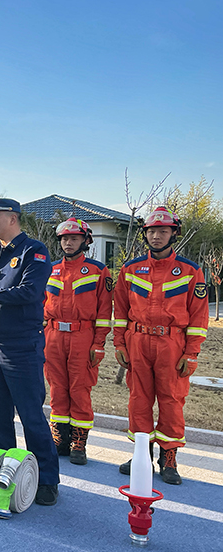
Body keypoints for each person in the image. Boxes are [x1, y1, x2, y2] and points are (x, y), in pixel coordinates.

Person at [0, 198, 59, 506]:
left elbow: (30, 292)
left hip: (21, 344)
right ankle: (3, 474)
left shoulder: (34, 252)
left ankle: (46, 480)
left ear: (13, 218)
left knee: (31, 415)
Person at [114, 207, 208, 485]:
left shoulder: (191, 271)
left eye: (163, 231)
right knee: (138, 401)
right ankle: (141, 455)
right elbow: (120, 309)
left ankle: (169, 458)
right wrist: (119, 342)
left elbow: (199, 316)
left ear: (173, 234)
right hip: (138, 341)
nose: (156, 236)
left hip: (172, 344)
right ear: (145, 234)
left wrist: (191, 352)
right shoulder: (130, 269)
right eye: (152, 231)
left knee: (171, 401)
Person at [44, 219, 112, 465]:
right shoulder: (49, 269)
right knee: (57, 388)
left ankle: (78, 443)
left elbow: (105, 312)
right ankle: (59, 440)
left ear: (85, 240)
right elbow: (41, 305)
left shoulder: (98, 271)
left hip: (83, 336)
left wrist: (98, 344)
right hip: (53, 336)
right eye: (64, 238)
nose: (68, 243)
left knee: (80, 389)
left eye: (73, 238)